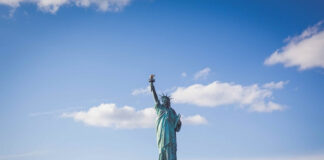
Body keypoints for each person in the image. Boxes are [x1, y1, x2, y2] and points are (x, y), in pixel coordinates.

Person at [149, 74, 181, 160]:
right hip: (162, 134)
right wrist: (152, 85)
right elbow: (155, 98)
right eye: (164, 100)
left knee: (171, 152)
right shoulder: (160, 108)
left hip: (171, 135)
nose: (166, 102)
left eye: (167, 101)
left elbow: (177, 127)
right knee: (162, 151)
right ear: (162, 101)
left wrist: (178, 122)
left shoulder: (172, 111)